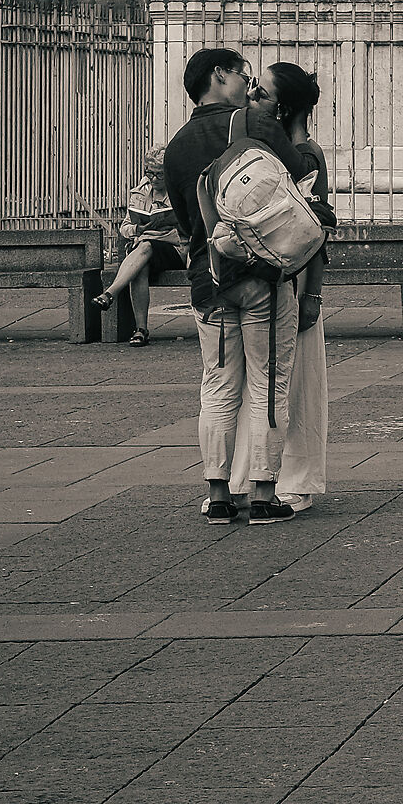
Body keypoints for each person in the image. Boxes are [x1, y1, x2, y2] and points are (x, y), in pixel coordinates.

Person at [163, 48, 336, 525]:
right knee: (266, 383)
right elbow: (297, 186)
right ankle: (262, 491)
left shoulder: (175, 147)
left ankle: (218, 492)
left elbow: (186, 224)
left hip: (209, 278)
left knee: (216, 387)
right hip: (260, 276)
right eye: (243, 74)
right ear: (220, 75)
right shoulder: (255, 125)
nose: (248, 83)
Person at [230, 62, 329, 515]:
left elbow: (314, 232)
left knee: (296, 387)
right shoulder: (266, 147)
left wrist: (312, 295)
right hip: (267, 282)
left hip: (296, 280)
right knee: (265, 387)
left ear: (282, 106)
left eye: (261, 92)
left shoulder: (304, 154)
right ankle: (259, 474)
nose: (251, 95)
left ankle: (295, 479)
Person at [95, 145, 186, 346]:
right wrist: (138, 228)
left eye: (159, 175)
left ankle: (110, 293)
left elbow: (191, 226)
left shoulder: (180, 188)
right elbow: (124, 228)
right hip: (146, 247)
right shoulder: (140, 191)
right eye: (149, 173)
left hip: (174, 247)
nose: (153, 179)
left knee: (144, 247)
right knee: (141, 262)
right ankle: (141, 330)